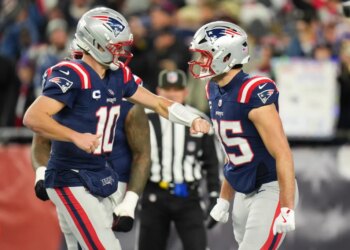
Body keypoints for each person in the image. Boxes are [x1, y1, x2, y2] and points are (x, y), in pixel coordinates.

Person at [23, 7, 210, 250]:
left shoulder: (118, 75)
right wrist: (75, 136)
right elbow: (33, 117)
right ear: (95, 43)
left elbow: (158, 103)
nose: (121, 52)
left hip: (102, 172)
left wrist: (191, 120)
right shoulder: (72, 74)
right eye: (115, 46)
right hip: (69, 175)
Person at [188, 21, 299, 249]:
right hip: (242, 190)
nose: (199, 62)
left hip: (270, 187)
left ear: (226, 57)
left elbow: (283, 153)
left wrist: (286, 207)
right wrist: (224, 198)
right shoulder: (213, 88)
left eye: (204, 55)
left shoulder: (253, 90)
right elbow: (234, 154)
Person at [138, 69, 221, 250]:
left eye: (177, 89)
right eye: (167, 89)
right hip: (154, 194)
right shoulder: (143, 118)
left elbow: (211, 163)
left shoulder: (199, 119)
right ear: (158, 91)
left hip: (188, 195)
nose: (172, 94)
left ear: (185, 92)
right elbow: (132, 158)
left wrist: (215, 195)